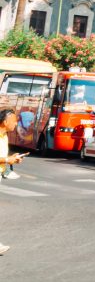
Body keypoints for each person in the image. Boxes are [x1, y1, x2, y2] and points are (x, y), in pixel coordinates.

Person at [1, 108, 26, 255]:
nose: (16, 124)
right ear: (5, 122)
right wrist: (6, 159)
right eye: (14, 121)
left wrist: (12, 159)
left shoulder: (4, 136)